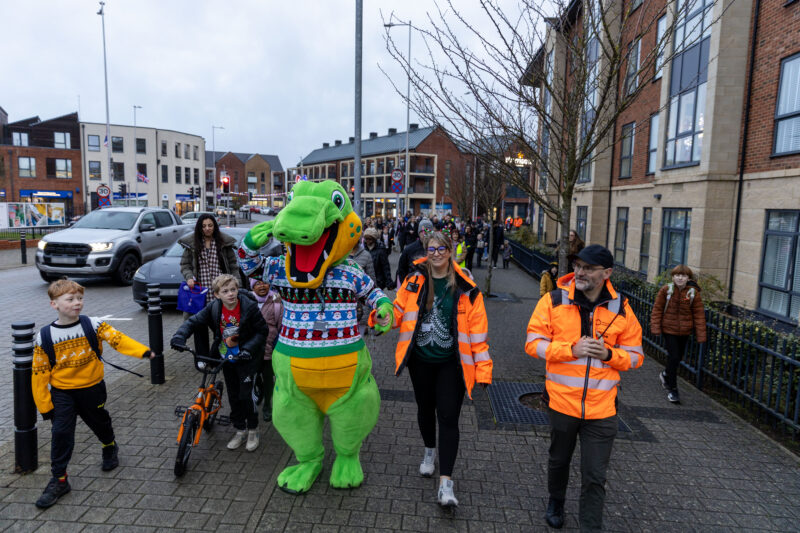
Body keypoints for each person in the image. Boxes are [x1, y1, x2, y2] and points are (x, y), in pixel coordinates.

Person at [525, 244, 643, 531]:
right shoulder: (554, 301)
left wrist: (610, 355)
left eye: (588, 268)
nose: (579, 272)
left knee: (594, 474)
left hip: (602, 410)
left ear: (607, 273)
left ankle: (591, 526)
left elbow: (637, 356)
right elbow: (532, 343)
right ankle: (556, 501)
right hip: (562, 403)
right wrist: (571, 349)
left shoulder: (622, 309)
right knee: (559, 460)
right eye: (577, 265)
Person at [374, 231, 491, 509]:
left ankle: (445, 483)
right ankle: (429, 451)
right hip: (420, 360)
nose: (436, 253)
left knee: (449, 417)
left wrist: (484, 369)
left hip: (453, 363)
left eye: (442, 248)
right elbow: (398, 311)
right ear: (427, 250)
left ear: (451, 251)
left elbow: (478, 333)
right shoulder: (415, 280)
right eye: (432, 248)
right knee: (425, 409)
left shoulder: (466, 286)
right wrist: (383, 317)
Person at [32, 280, 155, 509]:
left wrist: (142, 351)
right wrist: (45, 406)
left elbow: (118, 340)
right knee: (61, 433)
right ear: (54, 304)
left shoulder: (94, 325)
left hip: (92, 388)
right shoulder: (45, 337)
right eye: (70, 299)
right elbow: (39, 374)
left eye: (79, 298)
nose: (77, 303)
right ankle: (59, 480)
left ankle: (109, 445)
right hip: (62, 393)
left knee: (100, 422)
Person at [171, 274, 268, 452]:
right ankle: (240, 429)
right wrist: (179, 336)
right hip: (226, 359)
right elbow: (193, 321)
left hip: (247, 359)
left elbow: (262, 332)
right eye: (225, 291)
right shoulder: (214, 308)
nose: (230, 294)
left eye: (233, 290)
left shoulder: (249, 307)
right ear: (217, 295)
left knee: (247, 396)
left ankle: (253, 429)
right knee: (233, 395)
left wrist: (248, 350)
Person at [650, 264, 707, 404]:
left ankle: (666, 374)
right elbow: (657, 310)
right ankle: (673, 389)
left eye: (683, 275)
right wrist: (656, 328)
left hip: (685, 331)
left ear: (688, 278)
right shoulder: (666, 290)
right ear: (673, 277)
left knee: (677, 359)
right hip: (669, 330)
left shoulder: (693, 293)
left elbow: (699, 315)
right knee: (674, 357)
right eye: (677, 275)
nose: (680, 278)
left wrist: (701, 335)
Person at [180, 214, 239, 294]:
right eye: (203, 226)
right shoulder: (192, 244)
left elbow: (233, 266)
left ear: (214, 226)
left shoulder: (224, 243)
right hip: (200, 290)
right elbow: (185, 265)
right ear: (199, 228)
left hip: (222, 290)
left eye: (210, 225)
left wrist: (238, 285)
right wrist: (189, 278)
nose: (207, 228)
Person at [251, 278, 283, 421]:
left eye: (264, 282)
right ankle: (260, 391)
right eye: (257, 283)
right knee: (254, 376)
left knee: (268, 378)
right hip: (251, 349)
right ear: (252, 286)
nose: (262, 286)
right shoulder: (247, 300)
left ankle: (267, 406)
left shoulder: (276, 301)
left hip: (269, 348)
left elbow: (281, 325)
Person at [396, 218, 434, 286]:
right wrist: (406, 285)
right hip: (413, 288)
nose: (425, 234)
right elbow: (401, 269)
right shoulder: (409, 249)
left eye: (428, 231)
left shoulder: (436, 249)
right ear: (419, 233)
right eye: (423, 231)